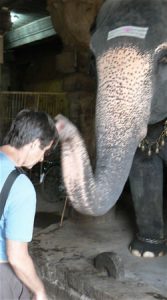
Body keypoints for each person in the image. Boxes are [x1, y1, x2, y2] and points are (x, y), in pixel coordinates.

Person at [0, 109, 59, 300]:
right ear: (33, 144)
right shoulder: (20, 187)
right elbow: (16, 256)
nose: (42, 158)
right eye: (43, 150)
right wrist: (39, 290)